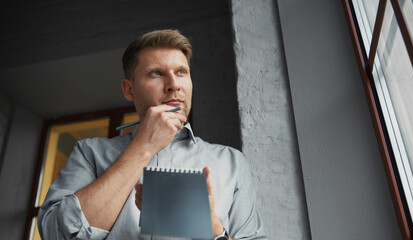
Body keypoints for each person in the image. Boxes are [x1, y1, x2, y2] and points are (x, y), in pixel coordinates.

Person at [38, 29, 267, 240]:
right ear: (129, 89)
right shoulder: (89, 153)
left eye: (181, 72)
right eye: (156, 73)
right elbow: (54, 234)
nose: (173, 85)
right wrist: (143, 148)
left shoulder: (231, 162)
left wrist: (215, 230)